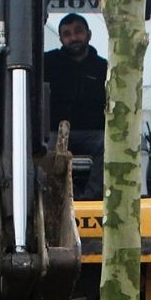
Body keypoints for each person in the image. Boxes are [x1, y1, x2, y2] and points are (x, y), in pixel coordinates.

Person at [44, 12, 108, 199]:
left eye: (78, 32)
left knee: (108, 144)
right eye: (67, 34)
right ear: (61, 38)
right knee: (42, 148)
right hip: (56, 134)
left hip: (93, 134)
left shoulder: (103, 68)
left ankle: (90, 198)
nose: (73, 38)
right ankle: (55, 198)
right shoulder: (48, 63)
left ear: (88, 34)